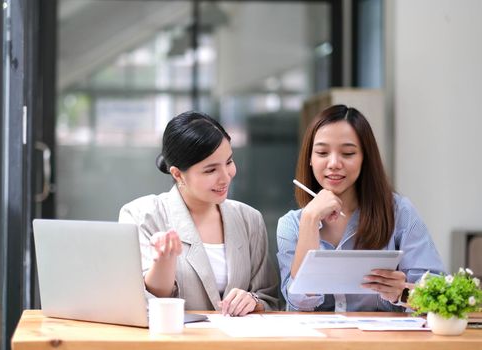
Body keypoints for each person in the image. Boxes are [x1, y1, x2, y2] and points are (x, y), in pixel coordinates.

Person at [277, 104, 445, 312]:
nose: (334, 163)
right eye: (322, 152)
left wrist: (402, 292)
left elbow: (439, 297)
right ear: (310, 159)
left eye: (347, 153)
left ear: (365, 158)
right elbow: (298, 304)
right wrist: (310, 220)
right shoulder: (291, 225)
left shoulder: (399, 212)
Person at [119, 111, 278, 316]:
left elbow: (269, 297)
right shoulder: (142, 215)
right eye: (210, 170)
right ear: (177, 174)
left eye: (229, 162)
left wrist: (253, 301)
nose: (226, 177)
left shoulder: (249, 218)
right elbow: (143, 302)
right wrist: (164, 261)